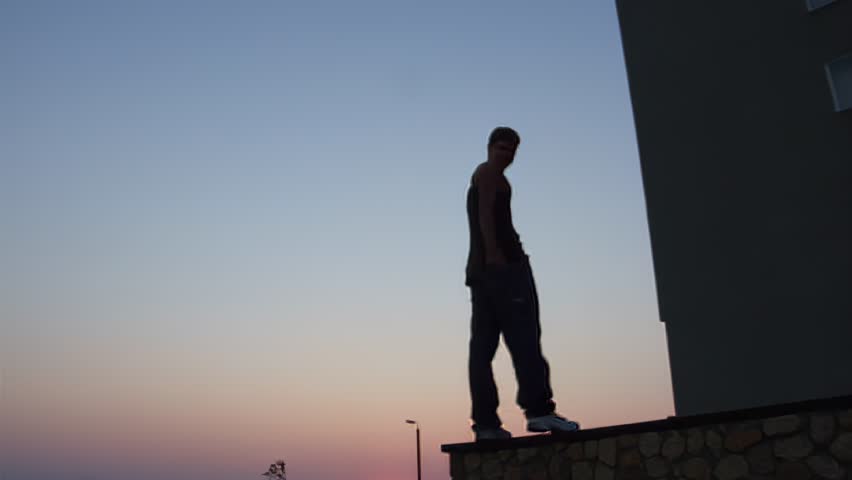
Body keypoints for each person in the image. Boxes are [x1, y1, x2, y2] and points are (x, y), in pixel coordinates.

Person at [464, 126, 580, 441]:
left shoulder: (481, 175)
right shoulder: (490, 175)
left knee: (482, 349)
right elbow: (488, 217)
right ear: (489, 147)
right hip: (503, 273)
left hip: (481, 275)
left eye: (512, 150)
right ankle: (540, 412)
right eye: (502, 148)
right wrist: (499, 259)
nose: (507, 155)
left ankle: (486, 425)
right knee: (525, 340)